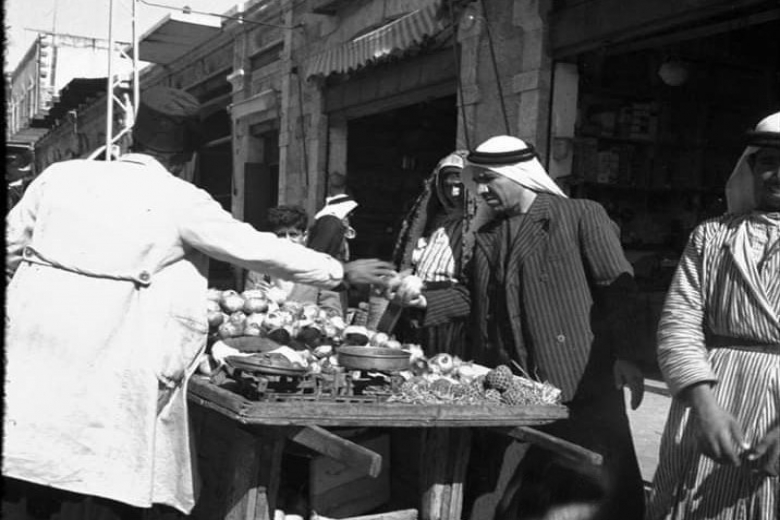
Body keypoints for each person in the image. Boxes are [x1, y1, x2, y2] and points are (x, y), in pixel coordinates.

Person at [3, 86, 395, 519]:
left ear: (131, 138)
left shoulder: (60, 176)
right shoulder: (180, 199)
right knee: (105, 465)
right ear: (186, 157)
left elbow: (8, 247)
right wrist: (340, 272)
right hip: (111, 355)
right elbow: (254, 247)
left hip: (35, 348)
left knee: (37, 460)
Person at [392, 135, 648, 519]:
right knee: (519, 492)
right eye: (477, 180)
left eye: (488, 179)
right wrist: (423, 301)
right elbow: (471, 297)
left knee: (595, 490)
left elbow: (619, 290)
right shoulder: (488, 235)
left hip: (579, 379)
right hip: (513, 385)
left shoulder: (579, 215)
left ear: (519, 175)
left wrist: (628, 355)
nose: (479, 190)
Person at [647, 112, 779, 520]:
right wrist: (703, 405)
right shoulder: (713, 237)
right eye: (769, 162)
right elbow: (679, 323)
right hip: (717, 393)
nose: (778, 175)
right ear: (751, 167)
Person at [381, 150, 488, 356]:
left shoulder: (479, 224)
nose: (454, 193)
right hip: (416, 302)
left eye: (459, 185)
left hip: (451, 310)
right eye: (448, 185)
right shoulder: (434, 220)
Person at [245, 204, 343, 316]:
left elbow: (333, 314)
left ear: (304, 236)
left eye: (293, 235)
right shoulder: (258, 272)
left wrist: (284, 303)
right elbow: (247, 314)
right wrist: (260, 299)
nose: (287, 241)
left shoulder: (321, 270)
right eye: (281, 235)